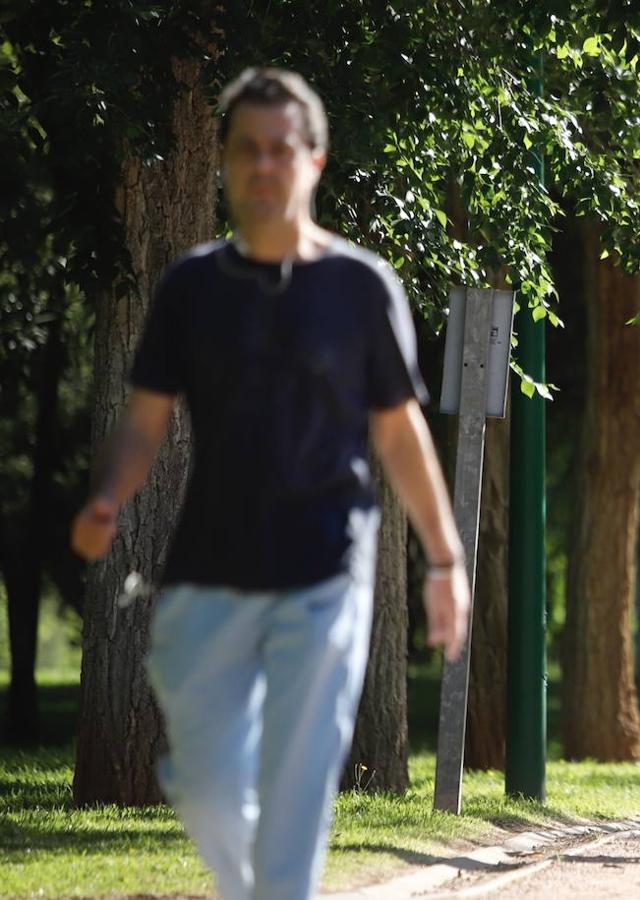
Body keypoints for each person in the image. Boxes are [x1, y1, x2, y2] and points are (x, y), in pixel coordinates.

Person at [69, 68, 471, 900]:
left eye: (280, 150)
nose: (263, 166)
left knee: (298, 786)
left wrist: (444, 561)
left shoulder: (362, 288)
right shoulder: (192, 287)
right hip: (208, 570)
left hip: (327, 569)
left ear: (313, 163)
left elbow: (398, 433)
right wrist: (107, 496)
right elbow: (144, 425)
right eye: (246, 150)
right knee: (206, 782)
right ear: (222, 162)